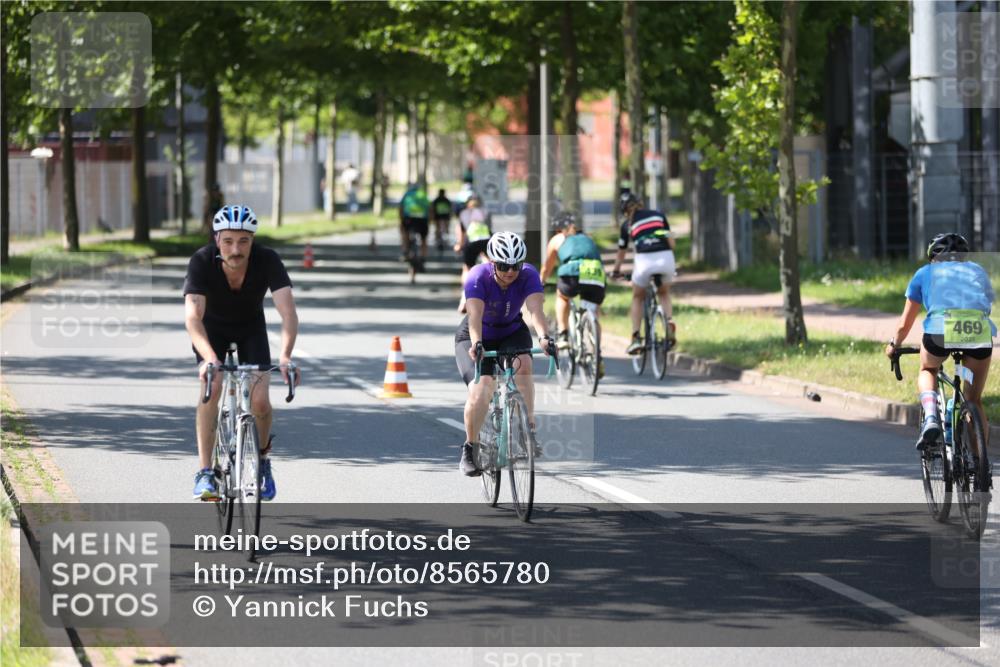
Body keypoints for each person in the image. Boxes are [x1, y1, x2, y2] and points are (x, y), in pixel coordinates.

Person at [183, 205, 300, 501]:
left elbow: (288, 313)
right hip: (213, 332)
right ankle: (205, 472)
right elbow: (193, 318)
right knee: (214, 386)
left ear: (252, 241)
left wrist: (285, 356)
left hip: (251, 329)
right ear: (217, 239)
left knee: (260, 402)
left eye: (244, 241)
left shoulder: (267, 260)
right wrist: (209, 357)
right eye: (229, 241)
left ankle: (261, 462)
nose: (236, 249)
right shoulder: (201, 261)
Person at [454, 232, 556, 476]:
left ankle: (527, 429)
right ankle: (471, 447)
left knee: (524, 368)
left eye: (515, 266)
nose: (510, 271)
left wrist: (543, 337)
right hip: (475, 335)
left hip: (511, 330)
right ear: (492, 263)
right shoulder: (477, 277)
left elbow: (535, 311)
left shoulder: (529, 275)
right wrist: (477, 344)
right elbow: (474, 318)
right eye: (503, 266)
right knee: (482, 390)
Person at [885, 232, 995, 451]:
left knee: (928, 369)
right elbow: (985, 305)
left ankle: (932, 416)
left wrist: (894, 345)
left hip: (939, 333)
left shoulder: (924, 273)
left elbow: (905, 323)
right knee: (974, 400)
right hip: (978, 332)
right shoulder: (978, 271)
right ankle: (980, 465)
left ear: (932, 257)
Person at [540, 210, 607, 377]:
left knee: (562, 296)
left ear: (557, 229)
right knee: (593, 311)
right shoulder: (587, 237)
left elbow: (547, 267)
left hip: (572, 272)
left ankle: (563, 334)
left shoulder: (558, 239)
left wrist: (541, 281)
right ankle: (596, 352)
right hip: (595, 273)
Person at [611, 192, 677, 355]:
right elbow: (672, 242)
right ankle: (668, 320)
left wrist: (616, 271)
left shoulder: (628, 224)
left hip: (645, 261)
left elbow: (621, 252)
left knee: (637, 296)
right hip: (666, 257)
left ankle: (636, 337)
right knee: (664, 292)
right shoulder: (659, 216)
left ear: (625, 211)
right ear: (640, 204)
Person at [454, 195, 492, 312]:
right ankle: (490, 295)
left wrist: (459, 245)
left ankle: (464, 298)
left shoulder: (464, 214)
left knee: (467, 269)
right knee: (490, 266)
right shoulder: (486, 213)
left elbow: (461, 234)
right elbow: (490, 230)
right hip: (486, 241)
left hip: (471, 243)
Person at [399, 181, 430, 263]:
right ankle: (423, 256)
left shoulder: (407, 194)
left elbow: (401, 207)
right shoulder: (423, 195)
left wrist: (401, 219)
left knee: (404, 232)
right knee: (423, 239)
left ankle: (405, 251)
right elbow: (429, 207)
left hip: (409, 218)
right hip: (422, 219)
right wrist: (430, 219)